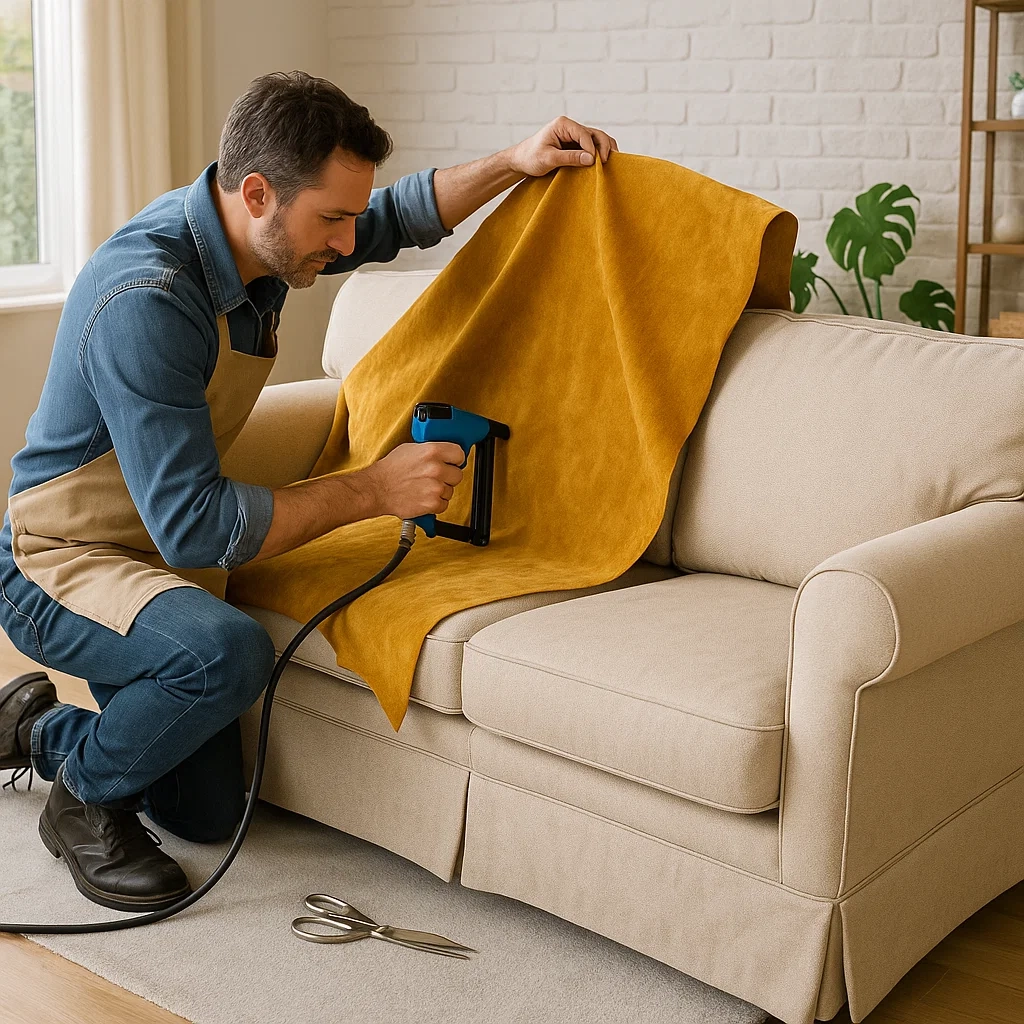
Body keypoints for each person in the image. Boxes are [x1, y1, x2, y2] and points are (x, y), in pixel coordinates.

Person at [0, 70, 617, 912]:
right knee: (227, 654)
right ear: (258, 192)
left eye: (347, 215)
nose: (347, 237)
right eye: (332, 218)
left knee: (205, 811)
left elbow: (397, 214)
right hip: (62, 563)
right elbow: (195, 529)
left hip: (151, 557)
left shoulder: (265, 236)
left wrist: (515, 161)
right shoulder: (148, 297)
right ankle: (80, 802)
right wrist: (373, 489)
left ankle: (35, 728)